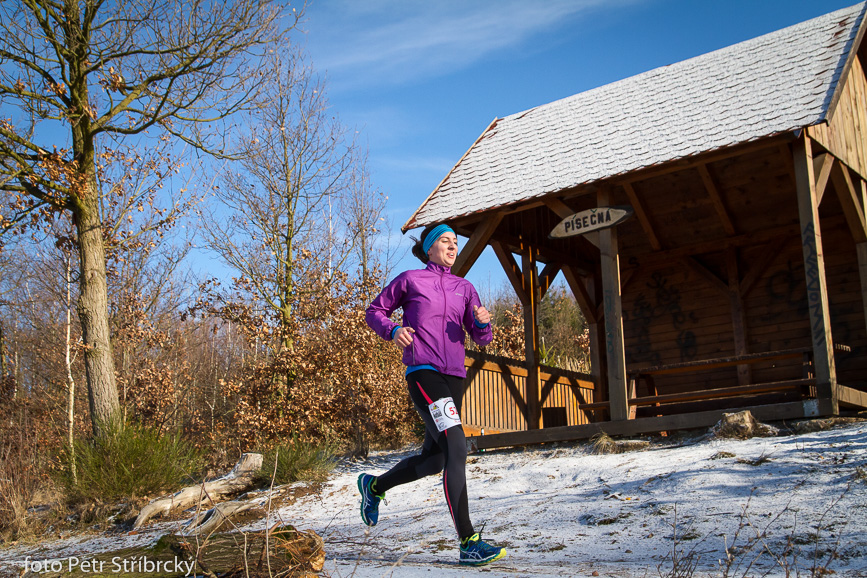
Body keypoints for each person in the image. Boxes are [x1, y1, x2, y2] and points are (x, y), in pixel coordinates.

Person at [360, 222, 507, 567]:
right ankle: (469, 541)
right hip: (424, 372)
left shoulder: (465, 288)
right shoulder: (411, 280)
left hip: (455, 376)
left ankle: (375, 487)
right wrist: (393, 329)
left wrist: (483, 323)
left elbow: (481, 338)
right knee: (456, 445)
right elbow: (374, 311)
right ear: (429, 248)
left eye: (456, 242)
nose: (453, 246)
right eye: (445, 241)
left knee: (437, 459)